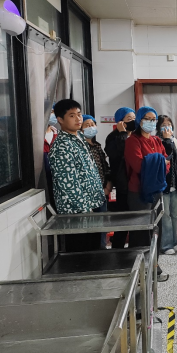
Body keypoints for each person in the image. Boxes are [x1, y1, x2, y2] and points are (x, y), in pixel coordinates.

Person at [48, 99, 106, 253]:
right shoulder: (62, 145)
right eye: (72, 115)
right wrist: (86, 210)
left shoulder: (79, 137)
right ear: (60, 120)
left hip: (92, 206)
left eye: (79, 114)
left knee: (95, 251)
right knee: (82, 253)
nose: (78, 119)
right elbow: (68, 184)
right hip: (78, 213)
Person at [124, 106, 169, 248]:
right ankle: (140, 259)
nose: (151, 122)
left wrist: (157, 162)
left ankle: (154, 259)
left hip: (156, 189)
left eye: (153, 119)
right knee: (141, 231)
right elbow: (138, 166)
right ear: (139, 120)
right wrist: (160, 162)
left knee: (157, 227)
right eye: (147, 119)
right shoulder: (133, 141)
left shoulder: (157, 140)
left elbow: (167, 164)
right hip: (139, 191)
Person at [156, 115, 177, 255]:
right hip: (163, 185)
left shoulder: (175, 141)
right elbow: (166, 157)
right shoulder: (157, 141)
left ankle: (174, 241)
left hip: (175, 184)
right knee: (165, 215)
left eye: (169, 124)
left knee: (174, 214)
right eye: (163, 125)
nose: (167, 127)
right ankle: (166, 244)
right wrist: (166, 140)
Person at [105, 107, 135, 249]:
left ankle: (135, 248)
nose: (133, 121)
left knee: (137, 218)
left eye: (134, 118)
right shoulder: (113, 137)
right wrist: (122, 133)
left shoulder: (136, 135)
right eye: (129, 119)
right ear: (120, 122)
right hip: (123, 184)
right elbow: (122, 152)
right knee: (123, 219)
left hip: (136, 182)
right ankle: (118, 248)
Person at [82, 114, 112, 247]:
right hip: (88, 194)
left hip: (102, 191)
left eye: (92, 124)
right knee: (91, 226)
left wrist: (108, 186)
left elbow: (105, 168)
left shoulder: (97, 146)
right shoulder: (81, 147)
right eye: (87, 125)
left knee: (102, 223)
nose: (90, 127)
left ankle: (102, 248)